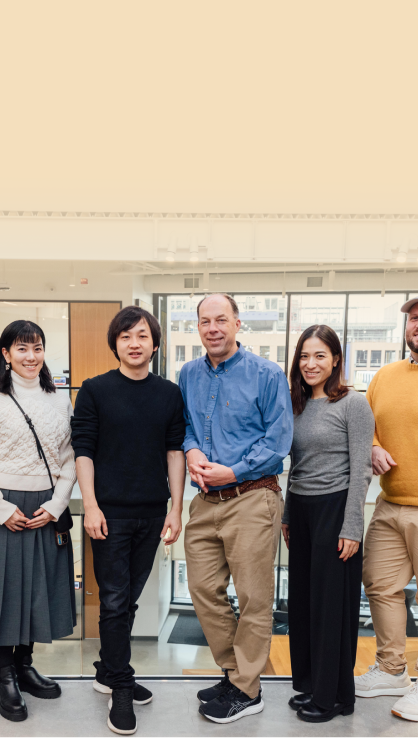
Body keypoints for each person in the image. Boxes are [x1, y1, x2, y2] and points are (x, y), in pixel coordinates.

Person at [0, 320, 76, 722]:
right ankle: (5, 675)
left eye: (37, 348)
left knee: (37, 587)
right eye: (21, 349)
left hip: (44, 508)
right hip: (0, 508)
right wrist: (2, 509)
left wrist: (57, 504)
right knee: (1, 590)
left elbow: (70, 459)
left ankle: (26, 665)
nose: (30, 356)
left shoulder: (60, 401)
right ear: (6, 354)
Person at [71, 305, 185, 736]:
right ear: (115, 343)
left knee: (128, 599)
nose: (134, 343)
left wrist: (176, 507)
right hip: (110, 515)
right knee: (116, 601)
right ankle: (120, 684)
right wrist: (91, 505)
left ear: (154, 343)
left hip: (152, 512)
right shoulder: (95, 390)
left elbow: (175, 451)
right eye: (125, 336)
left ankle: (107, 668)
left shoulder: (169, 393)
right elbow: (83, 449)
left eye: (141, 336)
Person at [180, 293, 293, 725]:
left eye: (221, 320)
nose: (213, 328)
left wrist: (234, 470)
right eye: (205, 321)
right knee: (204, 591)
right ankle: (236, 673)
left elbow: (278, 441)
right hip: (205, 500)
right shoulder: (189, 373)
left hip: (252, 496)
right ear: (198, 327)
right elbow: (187, 425)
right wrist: (191, 452)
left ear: (237, 324)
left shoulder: (266, 374)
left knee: (253, 597)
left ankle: (247, 689)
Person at [355, 289, 418, 723]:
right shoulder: (385, 376)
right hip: (389, 504)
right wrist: (373, 447)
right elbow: (365, 427)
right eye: (415, 318)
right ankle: (393, 670)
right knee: (379, 586)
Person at [281, 325, 374, 723]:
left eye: (319, 355)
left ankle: (335, 696)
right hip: (300, 509)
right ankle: (309, 685)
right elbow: (294, 467)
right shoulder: (296, 404)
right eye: (304, 355)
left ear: (336, 359)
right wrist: (287, 513)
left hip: (336, 509)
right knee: (303, 603)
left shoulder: (353, 403)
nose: (310, 363)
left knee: (331, 607)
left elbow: (362, 469)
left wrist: (352, 526)